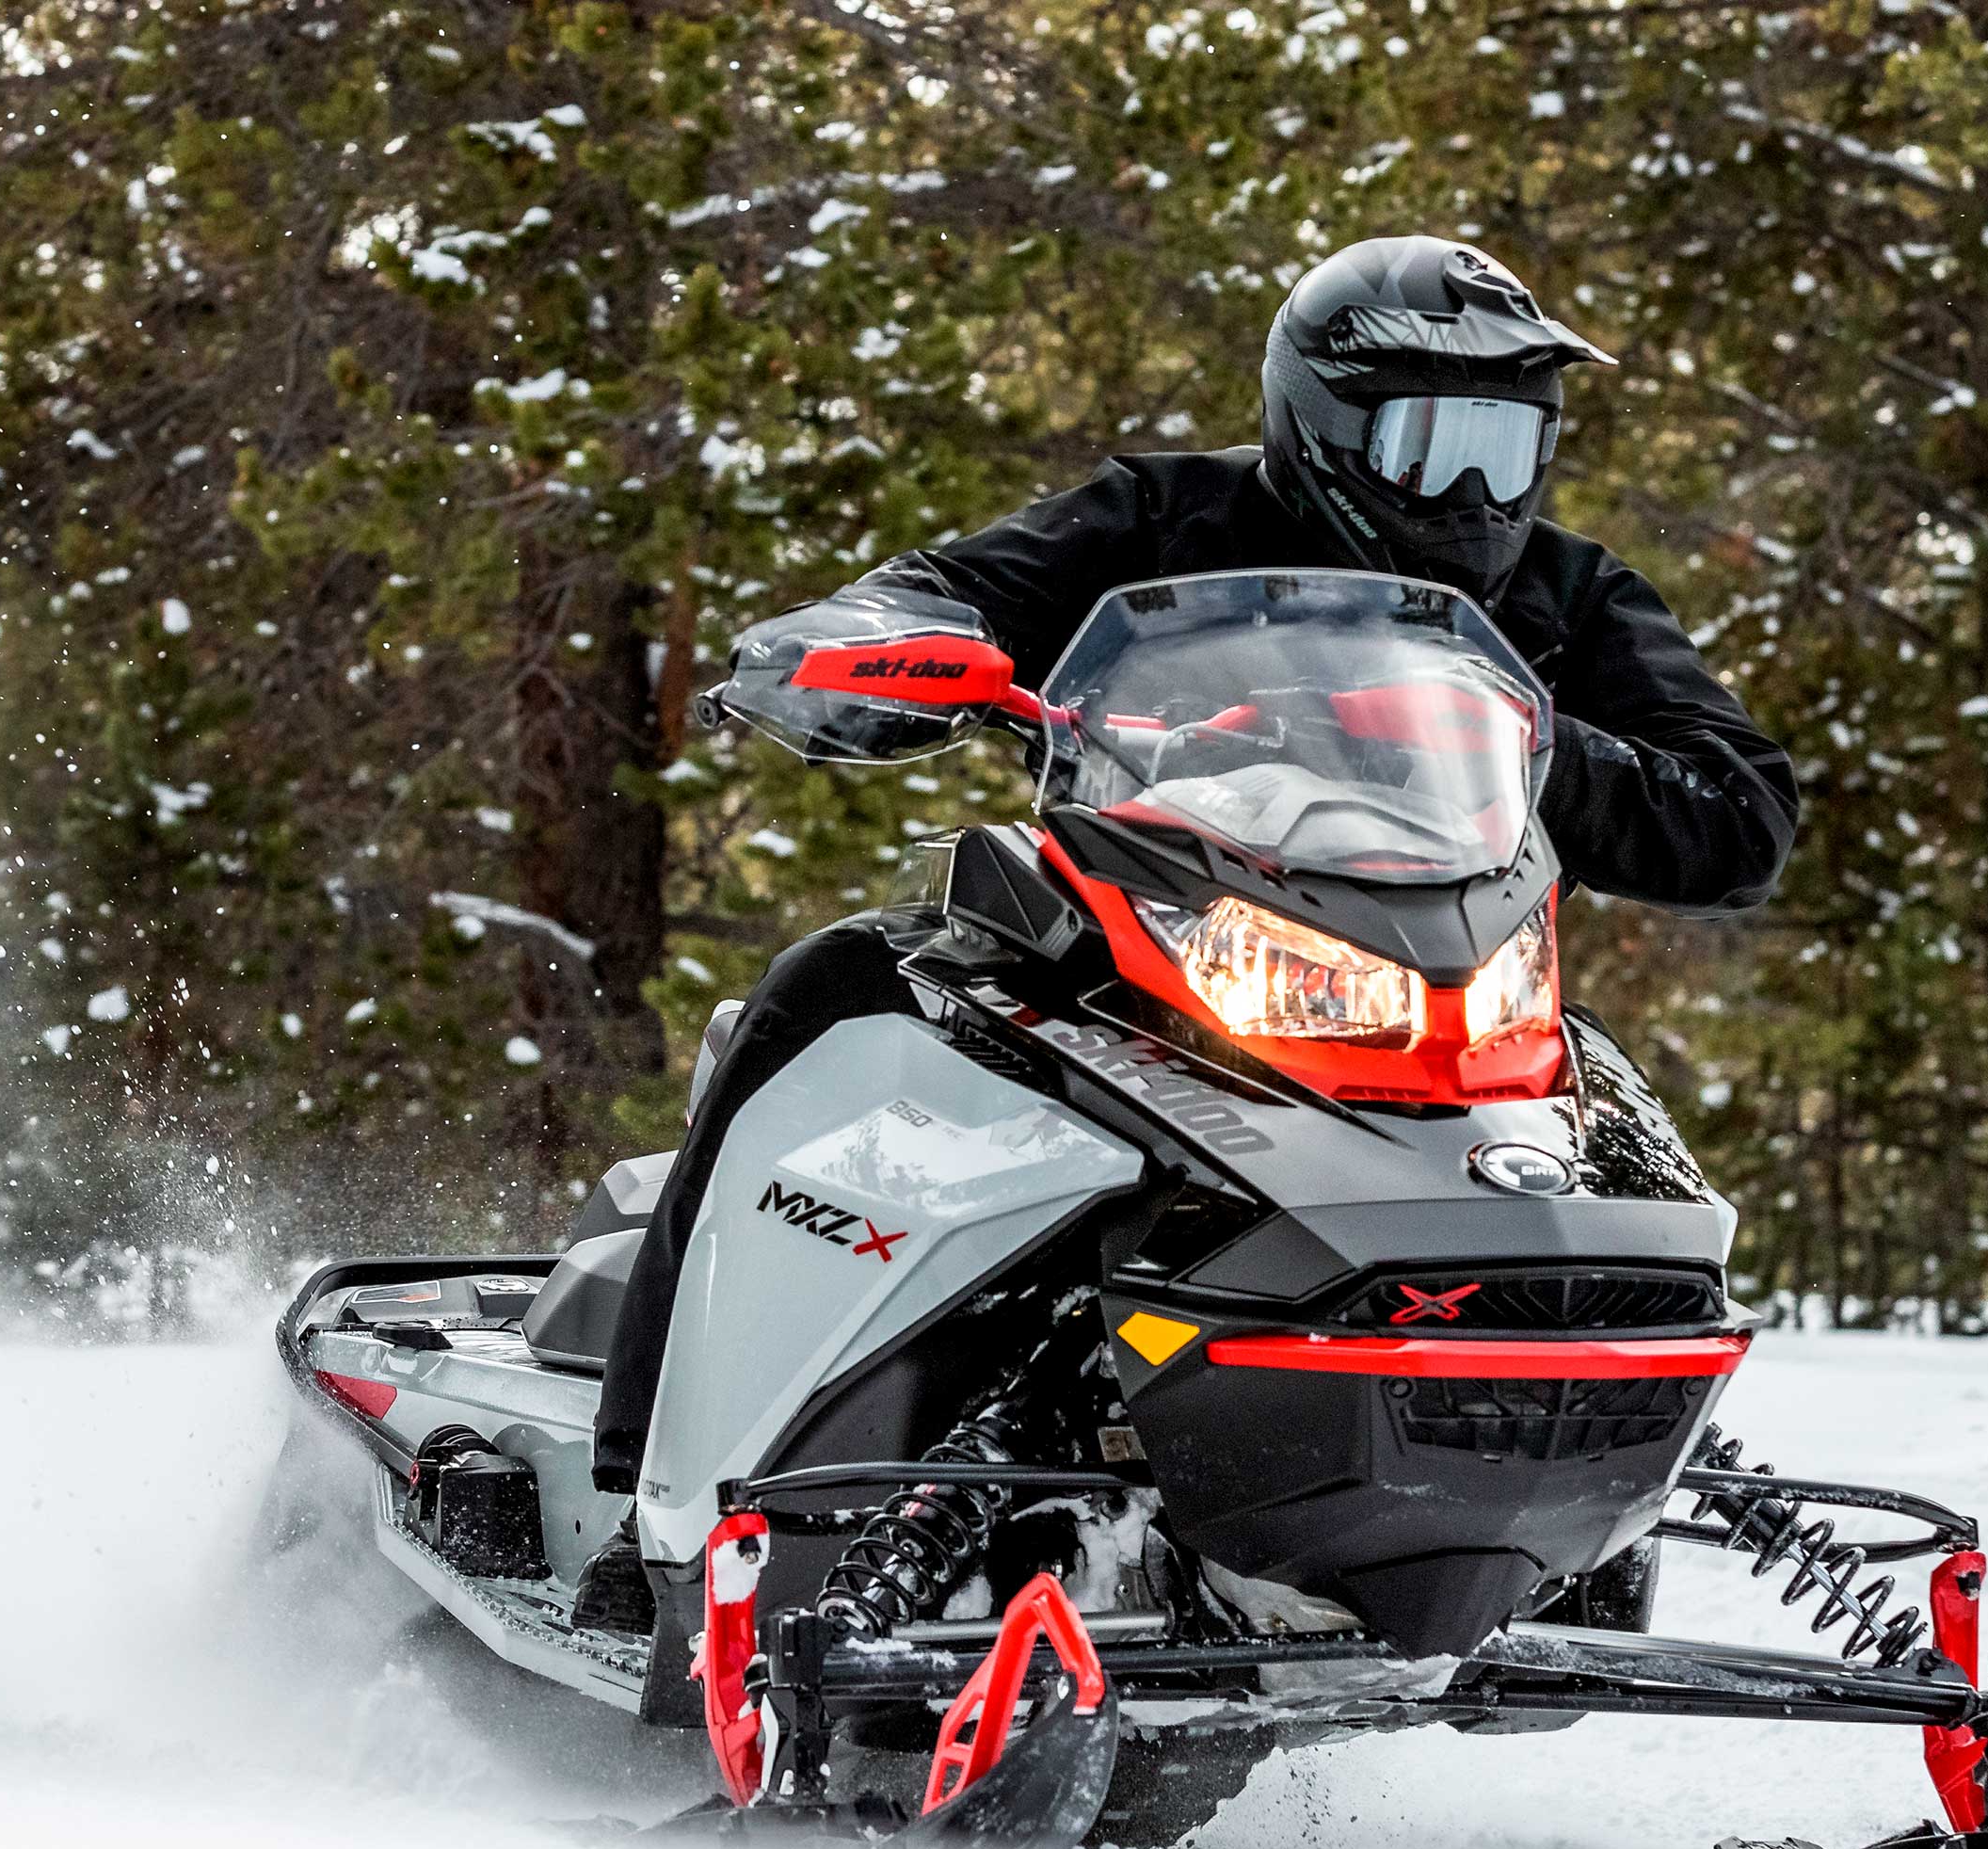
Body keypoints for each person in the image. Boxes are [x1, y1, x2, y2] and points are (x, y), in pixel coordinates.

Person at [579, 235, 1799, 1573]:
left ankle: (1532, 1480)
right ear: (1323, 421)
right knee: (828, 987)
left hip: (1425, 976)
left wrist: (1543, 744)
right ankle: (646, 1470)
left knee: (1594, 1122)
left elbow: (1739, 814)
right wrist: (877, 643)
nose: (1471, 489)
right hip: (1140, 943)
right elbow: (956, 587)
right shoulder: (1160, 521)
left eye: (1505, 446)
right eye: (1435, 439)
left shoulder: (1571, 593)